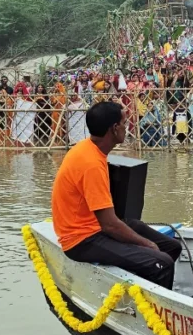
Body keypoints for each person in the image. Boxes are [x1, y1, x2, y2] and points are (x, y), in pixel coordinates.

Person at [51, 102, 182, 288]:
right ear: (114, 129)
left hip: (95, 227)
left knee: (172, 247)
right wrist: (148, 245)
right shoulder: (91, 164)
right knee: (162, 263)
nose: (126, 127)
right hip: (82, 239)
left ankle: (141, 285)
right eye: (124, 123)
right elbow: (110, 225)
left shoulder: (90, 149)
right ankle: (149, 312)